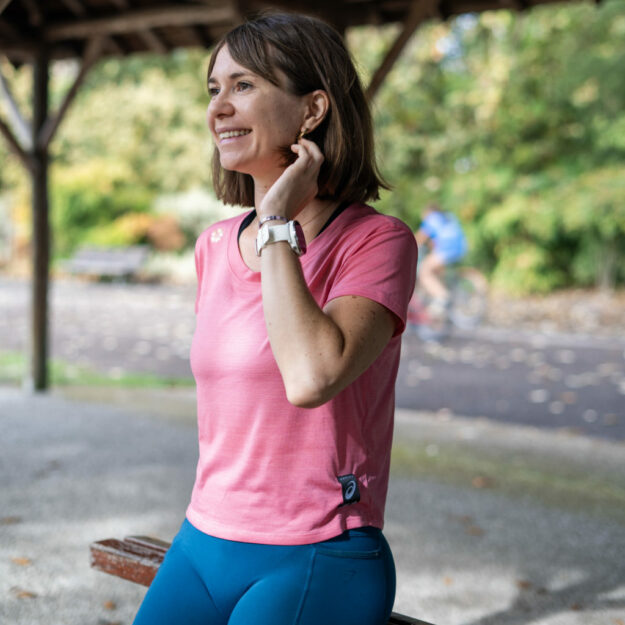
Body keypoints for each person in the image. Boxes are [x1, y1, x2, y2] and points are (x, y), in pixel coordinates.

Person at [132, 12, 417, 625]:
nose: (219, 109)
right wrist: (268, 222)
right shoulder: (212, 246)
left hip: (318, 550)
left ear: (312, 110)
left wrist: (277, 224)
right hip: (203, 538)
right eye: (214, 90)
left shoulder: (376, 242)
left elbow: (312, 377)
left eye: (244, 86)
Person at [414, 203, 467, 314]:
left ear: (427, 212)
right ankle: (445, 300)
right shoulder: (448, 216)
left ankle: (442, 297)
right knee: (436, 270)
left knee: (425, 272)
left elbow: (419, 238)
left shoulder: (431, 218)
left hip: (446, 249)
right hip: (460, 247)